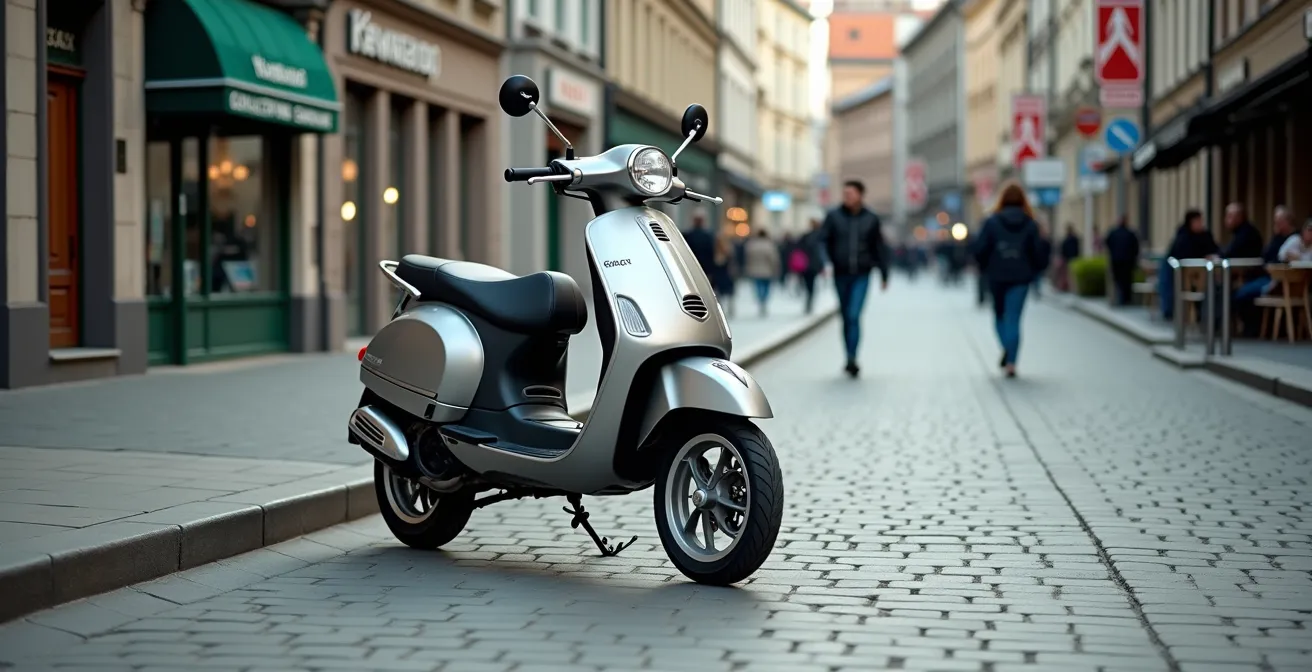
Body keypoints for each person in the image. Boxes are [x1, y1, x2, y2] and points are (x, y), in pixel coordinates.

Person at [971, 181, 1046, 379]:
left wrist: (984, 266)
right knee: (1014, 318)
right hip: (1021, 277)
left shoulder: (991, 222)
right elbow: (1038, 253)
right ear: (1023, 201)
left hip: (996, 276)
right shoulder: (1031, 224)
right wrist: (1035, 270)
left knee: (999, 316)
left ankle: (1007, 347)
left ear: (1002, 200)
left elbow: (980, 249)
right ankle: (1011, 361)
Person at [818, 180, 889, 378]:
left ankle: (852, 358)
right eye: (845, 193)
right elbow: (822, 241)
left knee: (853, 315)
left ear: (860, 195)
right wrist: (825, 262)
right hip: (840, 274)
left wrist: (884, 274)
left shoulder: (871, 218)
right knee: (845, 317)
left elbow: (879, 247)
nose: (847, 196)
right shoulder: (833, 216)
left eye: (851, 193)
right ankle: (848, 355)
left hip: (862, 274)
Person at [1233, 206, 1295, 334]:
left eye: (1279, 221)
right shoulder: (1276, 238)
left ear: (1287, 221)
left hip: (1279, 278)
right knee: (1241, 292)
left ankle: (1251, 329)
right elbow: (1266, 256)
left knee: (1243, 294)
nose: (1276, 224)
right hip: (1266, 275)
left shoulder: (1293, 240)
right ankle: (1250, 328)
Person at [1157, 209, 1218, 321]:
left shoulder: (1205, 235)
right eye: (1197, 221)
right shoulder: (1183, 236)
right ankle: (1170, 312)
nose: (1200, 224)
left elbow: (1215, 249)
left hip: (1200, 272)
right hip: (1181, 271)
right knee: (1170, 284)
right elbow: (1180, 253)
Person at [743, 229, 781, 316]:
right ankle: (764, 300)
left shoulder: (751, 245)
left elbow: (748, 258)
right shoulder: (769, 245)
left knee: (758, 285)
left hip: (755, 269)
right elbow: (774, 259)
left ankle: (760, 299)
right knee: (766, 286)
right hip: (767, 270)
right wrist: (776, 268)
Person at [1105, 215, 1141, 306]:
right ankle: (1126, 299)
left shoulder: (1113, 233)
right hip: (1127, 262)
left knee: (1118, 280)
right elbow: (1136, 247)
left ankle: (1119, 298)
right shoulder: (1130, 233)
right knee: (1127, 281)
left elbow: (1107, 244)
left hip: (1117, 261)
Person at [796, 218, 827, 314]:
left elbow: (798, 249)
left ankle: (808, 300)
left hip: (805, 264)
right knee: (811, 284)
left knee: (807, 284)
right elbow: (821, 252)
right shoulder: (820, 236)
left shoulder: (806, 236)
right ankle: (810, 299)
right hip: (814, 265)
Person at [711, 223, 738, 317]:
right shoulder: (727, 249)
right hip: (725, 274)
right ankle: (728, 308)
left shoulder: (716, 251)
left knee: (720, 292)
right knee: (727, 292)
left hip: (721, 274)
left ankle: (723, 308)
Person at [683, 213, 716, 278]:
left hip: (691, 268)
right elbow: (711, 254)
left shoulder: (688, 235)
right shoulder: (708, 236)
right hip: (704, 269)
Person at [1057, 225, 1080, 292]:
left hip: (1068, 259)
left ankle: (1070, 287)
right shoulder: (1074, 239)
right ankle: (1072, 287)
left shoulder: (1067, 240)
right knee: (1071, 274)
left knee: (1068, 274)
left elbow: (1063, 250)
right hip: (1073, 258)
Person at [1032, 222, 1053, 299]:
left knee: (1038, 276)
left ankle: (1036, 289)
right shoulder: (1034, 240)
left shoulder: (1044, 241)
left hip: (1040, 262)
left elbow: (1048, 251)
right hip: (1035, 262)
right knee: (1037, 276)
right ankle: (1036, 289)